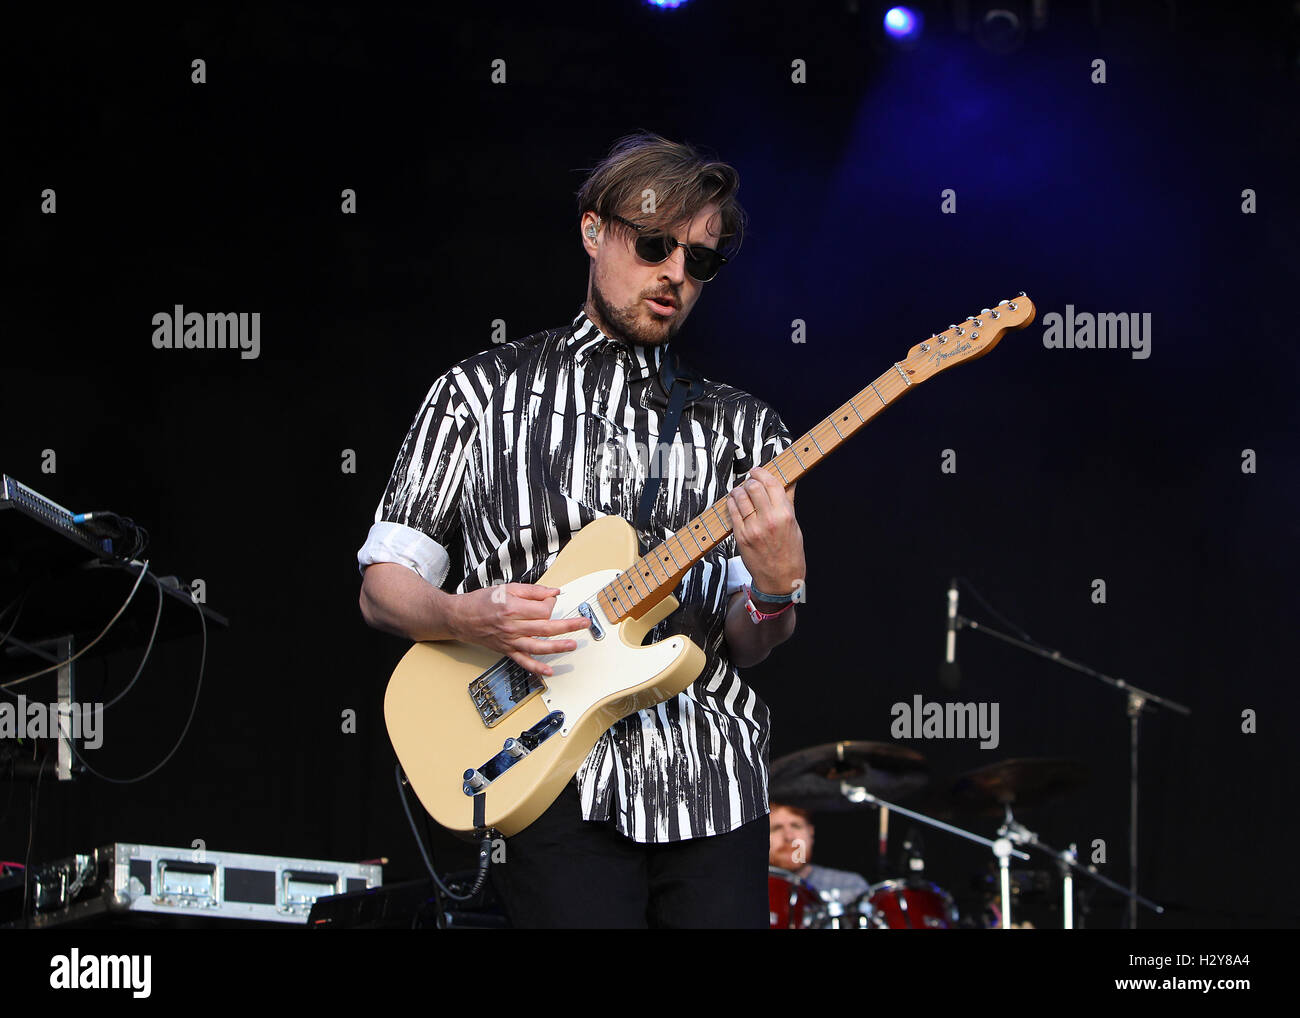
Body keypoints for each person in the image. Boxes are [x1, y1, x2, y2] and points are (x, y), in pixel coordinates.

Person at [357, 132, 806, 928]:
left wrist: (772, 590)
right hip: (550, 771)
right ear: (595, 232)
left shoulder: (747, 429)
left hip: (715, 778)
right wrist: (468, 615)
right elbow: (383, 590)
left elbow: (751, 640)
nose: (674, 273)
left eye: (698, 260)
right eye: (656, 243)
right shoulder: (478, 394)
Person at [769, 802, 870, 905]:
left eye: (796, 826)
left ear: (811, 832)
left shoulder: (851, 886)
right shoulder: (753, 890)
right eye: (776, 828)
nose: (788, 837)